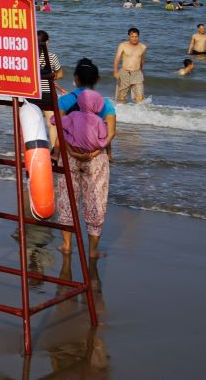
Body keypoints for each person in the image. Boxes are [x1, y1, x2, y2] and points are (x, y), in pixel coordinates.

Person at [53, 60, 116, 260]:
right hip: (95, 158)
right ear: (97, 80)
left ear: (76, 79)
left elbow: (59, 128)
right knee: (96, 200)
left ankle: (66, 245)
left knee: (67, 198)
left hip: (69, 155)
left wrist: (70, 150)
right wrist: (96, 152)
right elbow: (111, 133)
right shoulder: (104, 103)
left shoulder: (65, 100)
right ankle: (93, 250)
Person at [112, 27, 147, 104]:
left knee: (140, 98)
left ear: (138, 36)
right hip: (124, 73)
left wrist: (141, 71)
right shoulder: (123, 45)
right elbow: (117, 59)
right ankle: (122, 111)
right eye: (132, 36)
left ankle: (138, 111)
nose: (134, 38)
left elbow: (142, 60)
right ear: (129, 36)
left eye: (136, 36)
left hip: (137, 73)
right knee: (121, 98)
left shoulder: (143, 47)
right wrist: (115, 72)